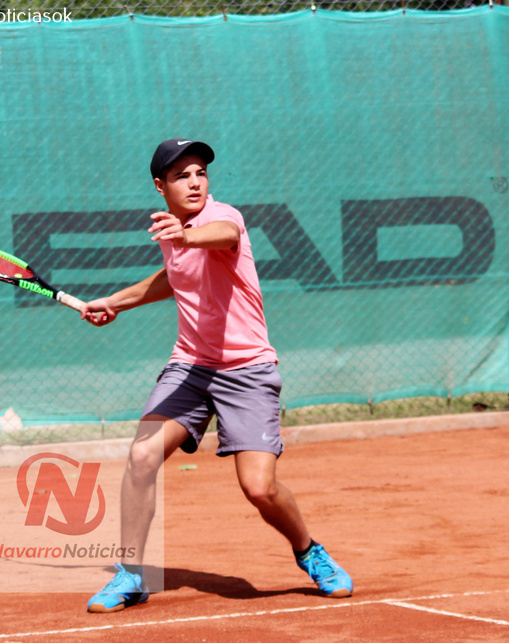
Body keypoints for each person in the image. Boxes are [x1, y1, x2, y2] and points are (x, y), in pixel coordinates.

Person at [81, 138, 353, 613]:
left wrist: (185, 235)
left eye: (200, 173)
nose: (194, 182)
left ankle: (309, 551)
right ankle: (131, 575)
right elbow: (173, 276)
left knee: (260, 488)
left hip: (247, 370)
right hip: (191, 365)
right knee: (142, 456)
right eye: (181, 175)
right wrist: (115, 302)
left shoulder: (222, 218)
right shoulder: (173, 233)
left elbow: (223, 235)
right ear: (160, 186)